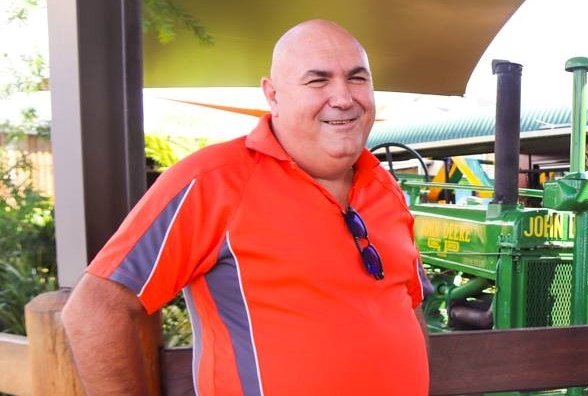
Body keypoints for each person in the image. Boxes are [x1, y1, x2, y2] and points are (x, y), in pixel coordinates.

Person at [62, 19, 430, 395]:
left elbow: (407, 304)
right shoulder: (213, 180)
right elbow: (93, 310)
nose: (343, 97)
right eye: (318, 80)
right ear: (273, 95)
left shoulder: (386, 188)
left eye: (357, 78)